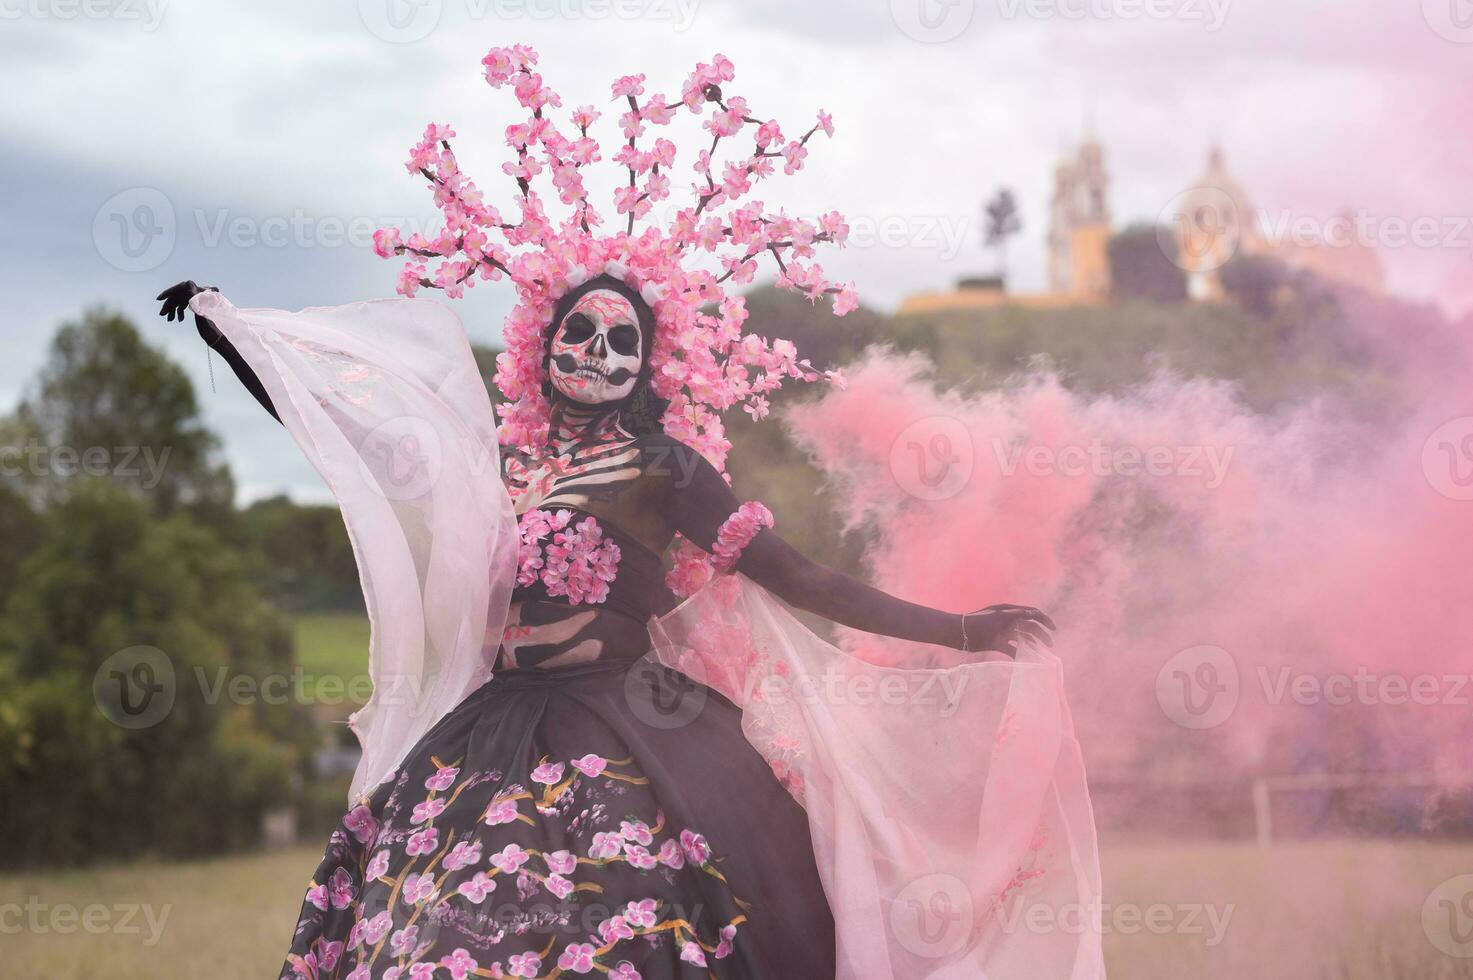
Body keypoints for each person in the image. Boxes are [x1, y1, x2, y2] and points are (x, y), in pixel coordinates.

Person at [156, 46, 1097, 980]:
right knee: (433, 938)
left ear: (648, 367)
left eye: (622, 342)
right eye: (579, 331)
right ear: (543, 345)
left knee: (618, 937)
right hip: (493, 733)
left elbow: (799, 576)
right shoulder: (507, 467)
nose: (598, 352)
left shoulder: (665, 466)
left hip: (629, 730)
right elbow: (354, 434)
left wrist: (965, 629)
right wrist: (233, 331)